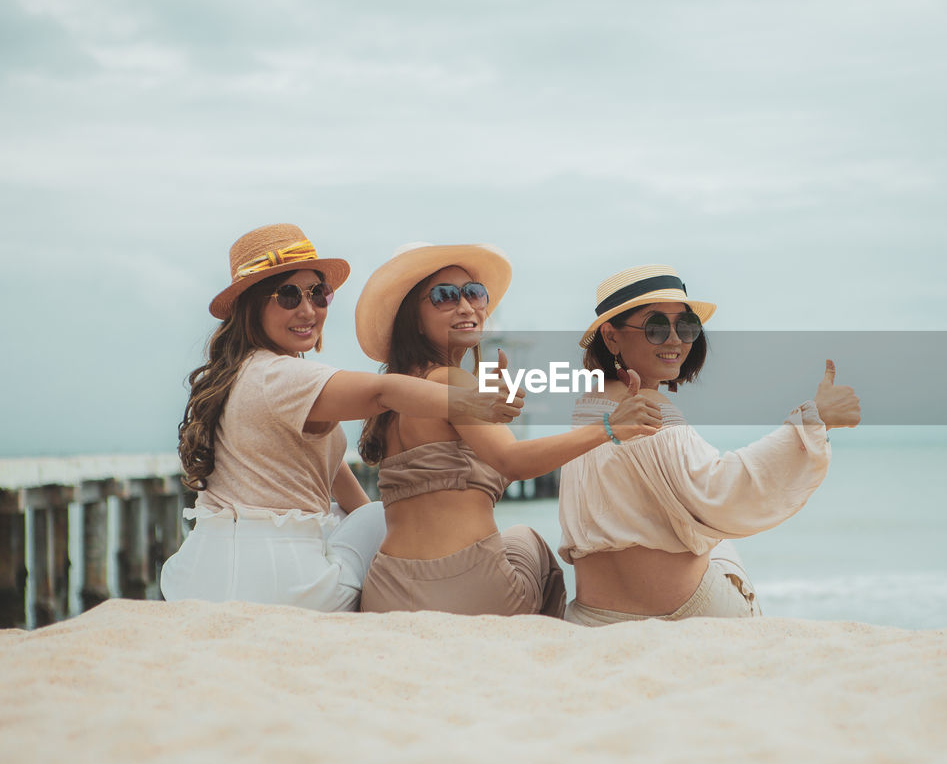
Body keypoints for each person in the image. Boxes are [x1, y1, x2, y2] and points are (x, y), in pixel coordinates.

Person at [161, 223, 525, 612]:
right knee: (387, 519)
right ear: (252, 306)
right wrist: (469, 401)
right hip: (283, 585)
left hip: (200, 577)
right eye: (288, 295)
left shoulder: (234, 377)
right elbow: (382, 391)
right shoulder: (286, 376)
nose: (308, 310)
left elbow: (337, 479)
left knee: (366, 513)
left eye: (319, 294)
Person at [353, 243, 662, 617]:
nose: (466, 306)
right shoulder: (452, 381)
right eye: (444, 296)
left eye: (474, 293)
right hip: (462, 583)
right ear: (413, 320)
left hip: (386, 588)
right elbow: (513, 461)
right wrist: (610, 426)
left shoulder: (399, 394)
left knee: (515, 539)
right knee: (531, 544)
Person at [557, 264, 862, 625]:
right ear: (611, 337)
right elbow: (724, 492)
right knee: (723, 546)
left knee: (711, 542)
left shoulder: (588, 409)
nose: (674, 340)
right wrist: (815, 420)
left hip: (592, 616)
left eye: (685, 326)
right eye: (655, 327)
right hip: (679, 615)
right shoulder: (652, 408)